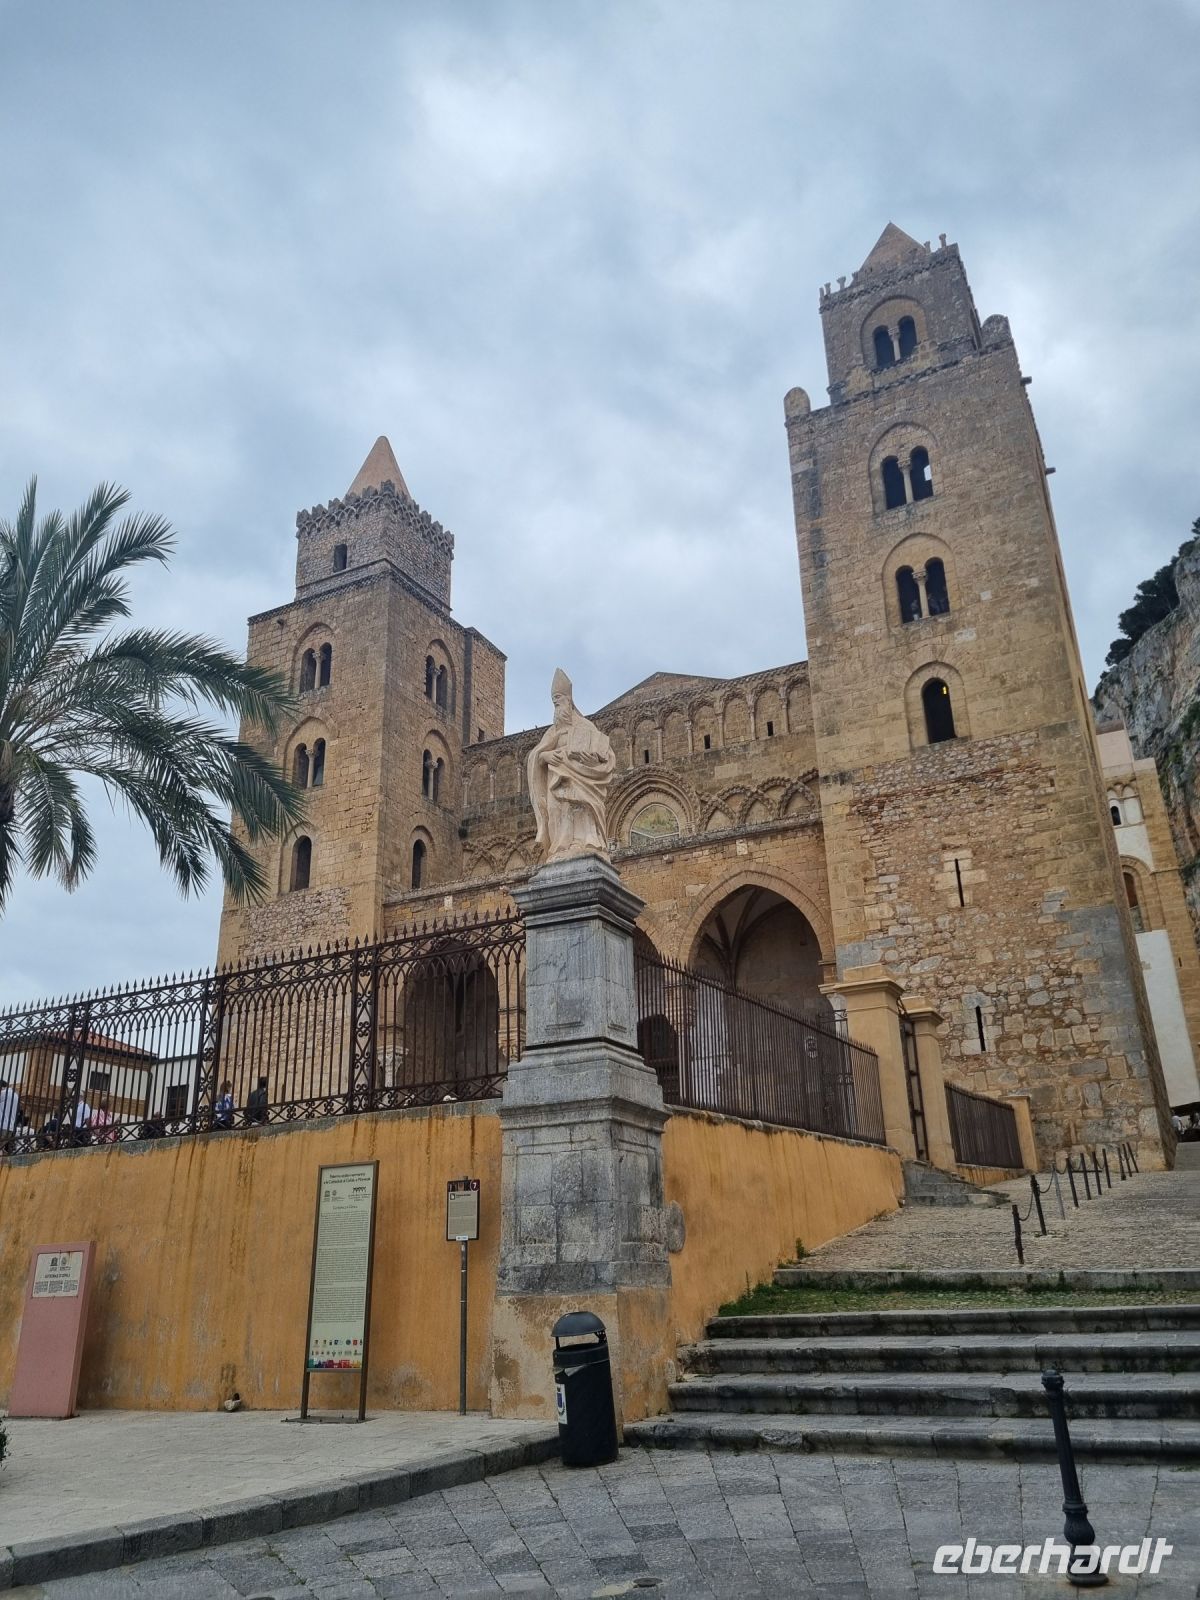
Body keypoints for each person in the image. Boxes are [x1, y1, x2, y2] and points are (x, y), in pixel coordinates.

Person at [526, 668, 616, 864]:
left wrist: (591, 760)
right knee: (556, 810)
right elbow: (537, 756)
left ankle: (585, 843)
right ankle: (561, 846)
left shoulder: (585, 726)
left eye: (558, 698)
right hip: (557, 779)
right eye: (553, 700)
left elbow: (605, 753)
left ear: (568, 700)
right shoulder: (553, 731)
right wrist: (548, 755)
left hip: (581, 778)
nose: (556, 702)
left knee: (580, 809)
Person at [0, 1076, 18, 1155]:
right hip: (9, 1128)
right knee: (1, 1148)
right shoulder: (15, 1095)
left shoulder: (3, 1093)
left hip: (1, 1125)